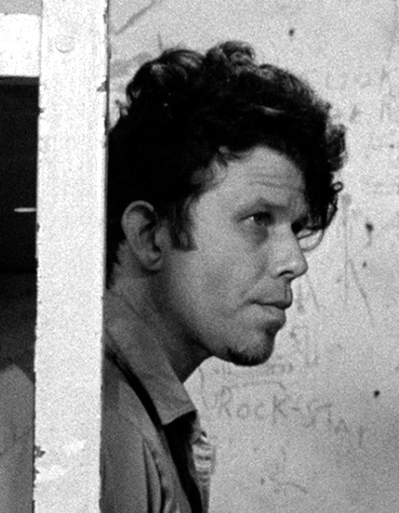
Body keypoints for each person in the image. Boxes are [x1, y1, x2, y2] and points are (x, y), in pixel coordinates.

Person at [102, 41, 346, 512]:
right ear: (150, 235)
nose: (295, 262)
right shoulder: (96, 427)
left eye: (296, 228)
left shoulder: (131, 413)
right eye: (258, 219)